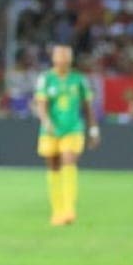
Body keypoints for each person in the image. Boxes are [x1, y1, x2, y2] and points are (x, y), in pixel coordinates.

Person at [32, 43, 99, 225]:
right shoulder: (46, 79)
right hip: (51, 130)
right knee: (53, 165)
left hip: (73, 128)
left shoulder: (79, 80)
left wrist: (93, 129)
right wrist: (46, 121)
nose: (63, 59)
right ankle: (57, 210)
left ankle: (69, 210)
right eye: (59, 56)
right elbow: (41, 104)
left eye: (66, 56)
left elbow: (88, 107)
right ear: (53, 59)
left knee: (68, 160)